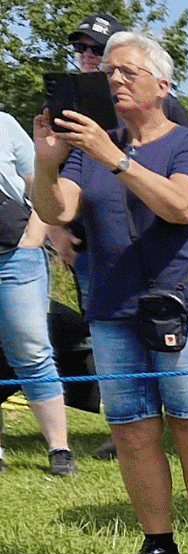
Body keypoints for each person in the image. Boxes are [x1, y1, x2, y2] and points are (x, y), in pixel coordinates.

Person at [31, 31, 188, 554]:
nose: (114, 80)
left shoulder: (187, 143)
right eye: (108, 73)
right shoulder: (89, 148)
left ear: (163, 86)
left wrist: (114, 157)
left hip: (183, 304)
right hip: (112, 306)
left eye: (127, 72)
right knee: (131, 428)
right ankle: (157, 544)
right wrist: (49, 164)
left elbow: (183, 207)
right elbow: (56, 210)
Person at [0, 110, 75, 475]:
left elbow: (41, 184)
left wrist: (33, 240)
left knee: (30, 350)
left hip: (16, 256)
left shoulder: (5, 124)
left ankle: (59, 449)